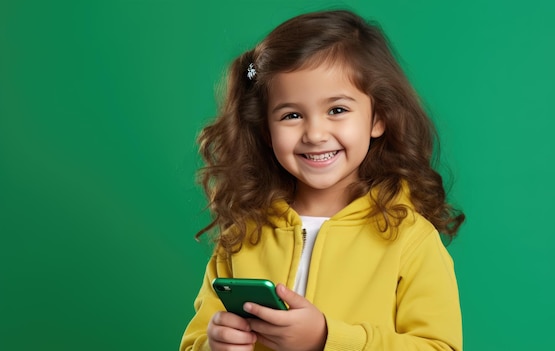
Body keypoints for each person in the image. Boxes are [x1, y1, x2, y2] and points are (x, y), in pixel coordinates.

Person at [180, 9, 465, 351]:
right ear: (266, 131)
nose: (315, 134)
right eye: (292, 115)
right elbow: (194, 341)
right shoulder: (241, 238)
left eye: (337, 110)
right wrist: (213, 345)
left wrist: (326, 339)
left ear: (378, 117)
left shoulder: (412, 240)